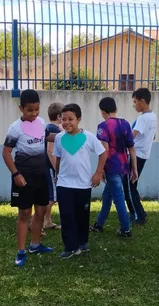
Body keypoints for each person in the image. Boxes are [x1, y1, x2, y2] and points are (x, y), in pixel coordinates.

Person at [2, 89, 54, 267]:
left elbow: (47, 137)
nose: (34, 113)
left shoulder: (41, 122)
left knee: (40, 212)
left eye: (37, 109)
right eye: (30, 110)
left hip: (41, 175)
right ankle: (21, 251)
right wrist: (16, 174)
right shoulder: (15, 128)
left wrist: (67, 134)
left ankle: (35, 245)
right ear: (21, 108)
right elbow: (6, 153)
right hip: (23, 177)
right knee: (24, 214)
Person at [53, 104, 107, 259]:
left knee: (82, 215)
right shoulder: (59, 138)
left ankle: (82, 243)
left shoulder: (89, 137)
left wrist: (98, 173)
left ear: (79, 119)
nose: (67, 122)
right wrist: (57, 175)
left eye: (71, 119)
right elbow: (58, 158)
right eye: (63, 119)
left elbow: (102, 153)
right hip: (64, 184)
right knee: (67, 215)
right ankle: (70, 246)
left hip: (83, 185)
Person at [89, 97, 137, 237]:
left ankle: (126, 229)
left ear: (102, 112)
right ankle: (99, 224)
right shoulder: (125, 124)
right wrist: (134, 168)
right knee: (107, 196)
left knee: (118, 198)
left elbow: (104, 150)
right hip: (124, 166)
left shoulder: (102, 127)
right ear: (116, 109)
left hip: (111, 167)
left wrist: (101, 169)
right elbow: (132, 149)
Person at [124, 88, 156, 225]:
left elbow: (132, 137)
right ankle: (139, 212)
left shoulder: (143, 118)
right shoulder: (152, 116)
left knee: (129, 187)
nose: (134, 105)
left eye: (135, 102)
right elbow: (152, 136)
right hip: (143, 154)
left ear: (142, 102)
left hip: (135, 155)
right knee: (131, 185)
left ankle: (137, 215)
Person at [43, 102, 63, 232]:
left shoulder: (48, 127)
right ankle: (35, 219)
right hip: (50, 168)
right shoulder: (54, 129)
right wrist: (57, 169)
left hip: (47, 167)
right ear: (59, 116)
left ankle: (48, 221)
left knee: (50, 195)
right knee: (53, 197)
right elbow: (50, 151)